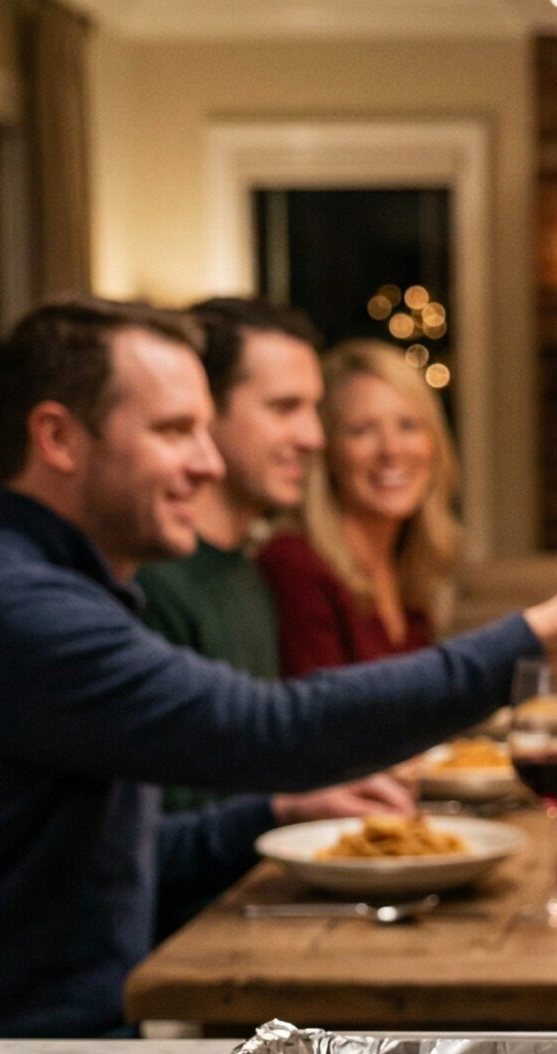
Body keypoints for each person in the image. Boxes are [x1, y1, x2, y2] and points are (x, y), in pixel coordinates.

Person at [0, 297, 557, 1037]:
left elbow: (115, 863)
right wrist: (538, 636)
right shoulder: (13, 606)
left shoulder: (62, 591)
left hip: (91, 1036)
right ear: (57, 438)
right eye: (173, 430)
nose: (206, 459)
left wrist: (273, 815)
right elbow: (271, 729)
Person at [137, 299, 405, 823]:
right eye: (285, 409)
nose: (313, 438)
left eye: (313, 409)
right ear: (206, 410)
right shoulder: (155, 585)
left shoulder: (247, 571)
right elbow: (165, 822)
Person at [260, 339, 460, 676]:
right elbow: (324, 720)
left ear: (434, 444)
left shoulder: (408, 571)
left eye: (408, 425)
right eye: (362, 430)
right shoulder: (295, 565)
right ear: (327, 454)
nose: (391, 450)